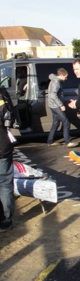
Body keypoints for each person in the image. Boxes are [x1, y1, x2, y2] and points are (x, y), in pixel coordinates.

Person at [47, 68, 77, 147]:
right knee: (66, 122)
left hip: (52, 105)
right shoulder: (56, 82)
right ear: (61, 75)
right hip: (56, 105)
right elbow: (53, 95)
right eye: (65, 77)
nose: (66, 79)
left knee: (56, 123)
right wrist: (61, 105)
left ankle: (50, 141)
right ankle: (68, 142)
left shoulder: (54, 80)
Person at [0, 90, 15, 232]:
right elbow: (10, 117)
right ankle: (6, 219)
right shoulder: (2, 95)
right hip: (2, 146)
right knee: (4, 184)